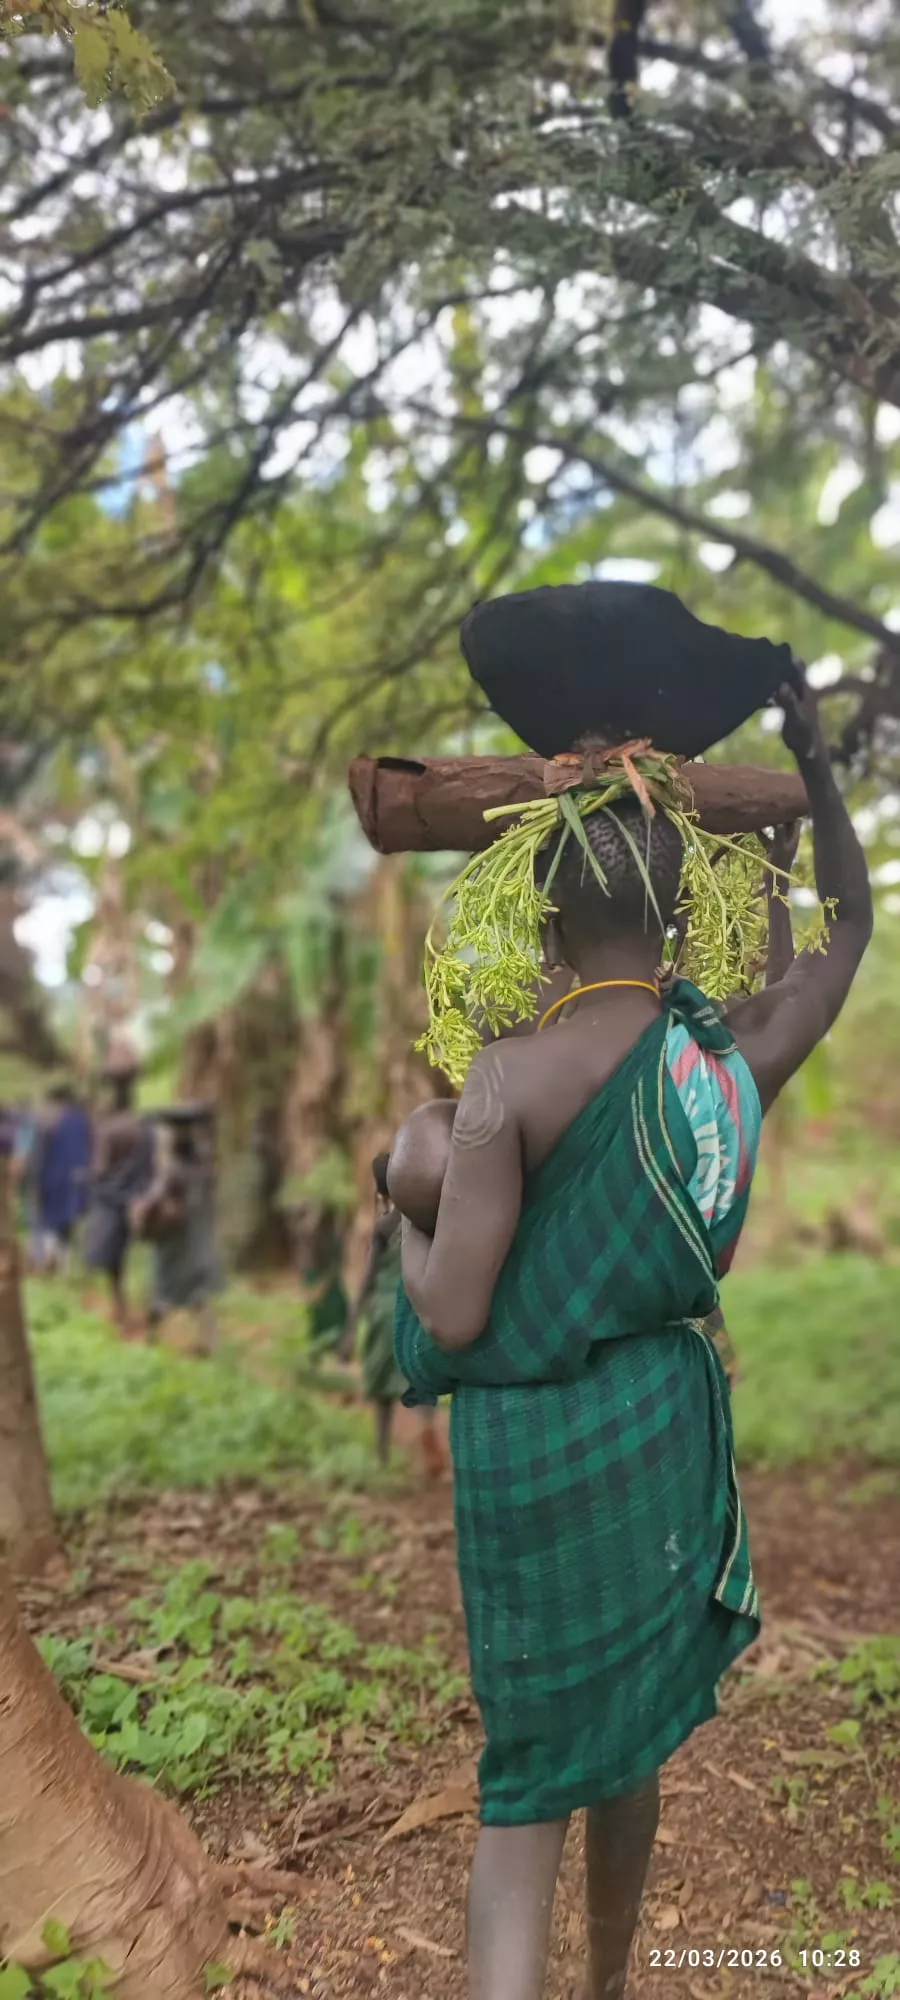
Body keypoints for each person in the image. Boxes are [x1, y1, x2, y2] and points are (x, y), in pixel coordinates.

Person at [386, 678, 871, 2000]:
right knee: (630, 1740)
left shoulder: (510, 1077)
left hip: (529, 1450)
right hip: (661, 1428)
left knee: (527, 1788)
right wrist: (813, 774)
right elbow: (845, 933)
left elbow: (455, 1311)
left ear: (543, 918)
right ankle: (606, 1981)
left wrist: (395, 1213)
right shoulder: (730, 1056)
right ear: (672, 914)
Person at [343, 1154, 447, 1474]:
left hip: (382, 1313)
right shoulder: (421, 1221)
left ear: (379, 1191)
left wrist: (350, 1328)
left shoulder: (382, 1226)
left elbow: (367, 1279)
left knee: (381, 1390)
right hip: (413, 1310)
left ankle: (382, 1454)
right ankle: (427, 1431)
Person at [133, 1108, 224, 1352]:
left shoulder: (172, 1171)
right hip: (199, 1239)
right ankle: (213, 1343)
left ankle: (151, 1338)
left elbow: (152, 1200)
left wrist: (140, 1210)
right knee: (198, 1296)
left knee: (163, 1289)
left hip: (175, 1242)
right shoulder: (205, 1168)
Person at [83, 1056, 154, 1332]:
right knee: (147, 1252)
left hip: (111, 1200)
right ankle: (145, 1305)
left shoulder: (108, 1129)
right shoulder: (144, 1126)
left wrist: (86, 1176)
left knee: (112, 1258)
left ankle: (120, 1305)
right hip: (142, 1197)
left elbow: (100, 1168)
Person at [32, 1084, 92, 1274]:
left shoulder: (49, 1122)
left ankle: (49, 1263)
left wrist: (36, 1179)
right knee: (67, 1223)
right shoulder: (83, 1121)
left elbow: (39, 1155)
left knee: (47, 1222)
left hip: (51, 1180)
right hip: (75, 1181)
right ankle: (64, 1266)